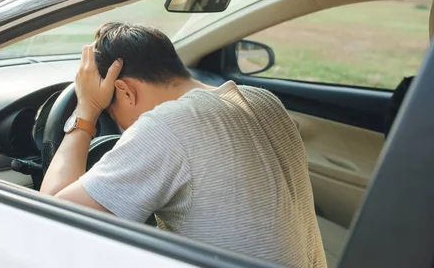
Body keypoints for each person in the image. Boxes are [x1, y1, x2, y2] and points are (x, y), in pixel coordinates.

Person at [41, 22, 326, 267]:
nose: (120, 126)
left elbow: (49, 222)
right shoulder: (262, 99)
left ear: (124, 91)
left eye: (109, 110)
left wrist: (87, 111)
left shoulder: (166, 127)